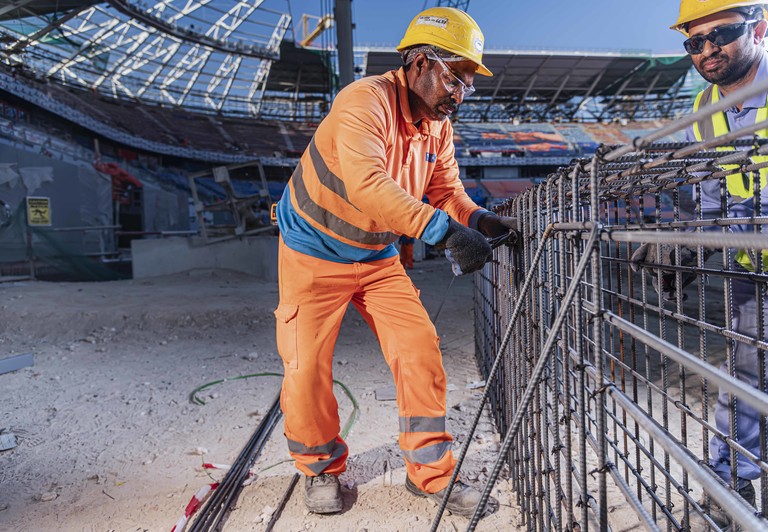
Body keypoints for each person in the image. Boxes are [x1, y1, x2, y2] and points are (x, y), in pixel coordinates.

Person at [273, 6, 517, 517]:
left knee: (418, 348)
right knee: (306, 367)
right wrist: (442, 231)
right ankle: (320, 469)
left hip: (378, 255)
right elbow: (369, 186)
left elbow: (447, 191)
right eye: (456, 78)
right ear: (421, 63)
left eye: (469, 83)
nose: (461, 93)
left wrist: (482, 222)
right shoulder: (364, 102)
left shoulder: (437, 128)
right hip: (313, 253)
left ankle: (431, 474)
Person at [633, 1, 768, 527]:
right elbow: (709, 198)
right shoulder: (704, 104)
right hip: (750, 269)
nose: (708, 49)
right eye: (695, 41)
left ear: (758, 26)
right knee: (746, 372)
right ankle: (730, 483)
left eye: (723, 33)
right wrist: (685, 240)